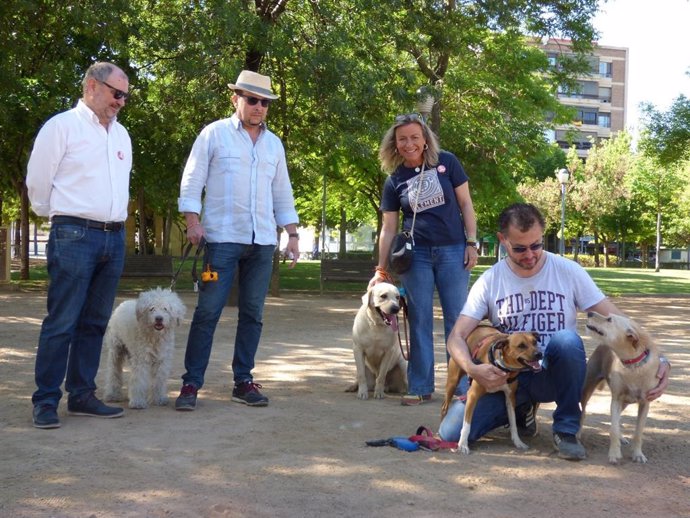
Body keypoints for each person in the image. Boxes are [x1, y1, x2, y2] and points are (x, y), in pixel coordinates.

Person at [440, 203, 672, 460]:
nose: (530, 254)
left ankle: (566, 430)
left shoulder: (568, 271)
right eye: (520, 248)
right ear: (502, 240)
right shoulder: (490, 281)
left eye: (536, 245)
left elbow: (620, 322)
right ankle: (520, 409)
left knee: (566, 340)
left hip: (552, 372)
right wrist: (474, 370)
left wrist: (660, 360)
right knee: (449, 433)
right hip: (506, 376)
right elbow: (456, 337)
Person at [175, 70, 300, 411]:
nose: (259, 107)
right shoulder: (214, 135)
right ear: (236, 99)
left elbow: (282, 193)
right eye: (252, 99)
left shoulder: (274, 144)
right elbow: (192, 179)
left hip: (262, 242)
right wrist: (192, 221)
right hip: (221, 240)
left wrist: (292, 234)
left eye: (265, 102)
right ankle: (190, 384)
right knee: (208, 312)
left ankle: (243, 380)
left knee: (253, 314)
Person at [26, 62, 132, 429]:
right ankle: (46, 400)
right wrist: (56, 217)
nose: (121, 101)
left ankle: (83, 395)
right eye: (116, 93)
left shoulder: (122, 136)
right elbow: (38, 183)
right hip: (73, 234)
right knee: (63, 321)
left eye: (125, 96)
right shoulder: (61, 127)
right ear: (92, 86)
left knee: (95, 322)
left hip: (114, 236)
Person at [368, 113, 478, 406]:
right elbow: (389, 227)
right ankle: (420, 385)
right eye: (402, 139)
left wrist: (471, 241)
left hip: (453, 250)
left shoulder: (448, 163)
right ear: (395, 143)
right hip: (415, 256)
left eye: (415, 137)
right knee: (419, 320)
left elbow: (466, 204)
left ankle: (461, 386)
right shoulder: (394, 180)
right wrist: (381, 268)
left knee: (457, 319)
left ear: (425, 139)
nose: (409, 143)